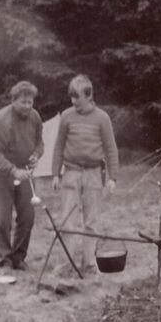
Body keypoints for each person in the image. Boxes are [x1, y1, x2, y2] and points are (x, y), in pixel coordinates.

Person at [51, 74, 119, 274]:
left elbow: (111, 149)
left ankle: (89, 264)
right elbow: (58, 146)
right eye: (71, 97)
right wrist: (56, 174)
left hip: (93, 174)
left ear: (89, 96)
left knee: (92, 221)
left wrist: (112, 178)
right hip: (71, 173)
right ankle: (65, 265)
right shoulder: (66, 116)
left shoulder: (102, 118)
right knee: (67, 220)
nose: (73, 102)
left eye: (77, 97)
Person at [0, 81, 44, 270]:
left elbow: (39, 144)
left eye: (30, 102)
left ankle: (19, 257)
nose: (28, 106)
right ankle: (5, 259)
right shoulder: (1, 121)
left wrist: (36, 155)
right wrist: (13, 170)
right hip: (1, 173)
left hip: (24, 172)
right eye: (23, 102)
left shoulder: (35, 117)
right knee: (3, 218)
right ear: (13, 101)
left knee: (28, 215)